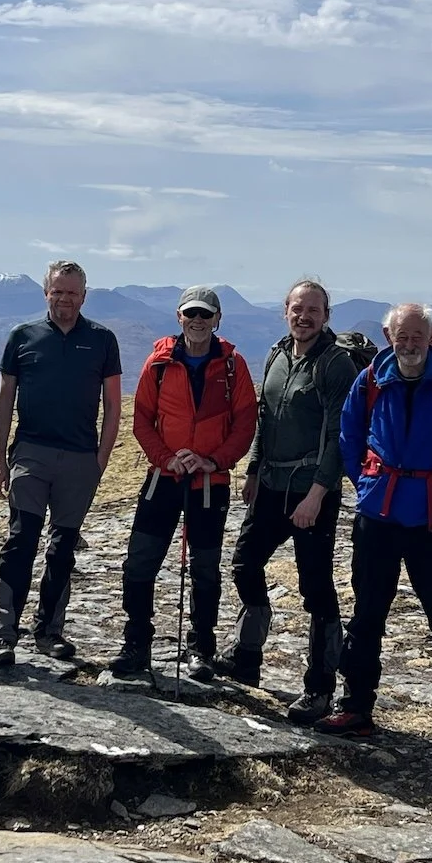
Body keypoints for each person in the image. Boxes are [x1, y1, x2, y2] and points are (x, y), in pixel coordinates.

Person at [318, 302, 432, 765]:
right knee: (367, 615)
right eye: (402, 335)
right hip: (378, 517)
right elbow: (349, 437)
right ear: (388, 336)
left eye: (418, 336)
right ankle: (356, 709)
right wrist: (367, 486)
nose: (410, 344)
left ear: (430, 337)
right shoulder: (370, 379)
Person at [214, 279, 359, 725]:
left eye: (313, 310)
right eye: (298, 308)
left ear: (326, 316)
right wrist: (254, 469)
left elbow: (339, 436)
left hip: (312, 491)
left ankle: (320, 687)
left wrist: (317, 494)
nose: (304, 316)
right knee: (245, 562)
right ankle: (247, 655)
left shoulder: (335, 364)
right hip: (272, 484)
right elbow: (266, 418)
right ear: (285, 311)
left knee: (316, 588)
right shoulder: (278, 354)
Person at [109, 286, 257, 680]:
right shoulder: (158, 363)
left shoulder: (233, 366)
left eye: (205, 314)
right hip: (164, 478)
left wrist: (214, 460)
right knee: (140, 562)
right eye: (191, 313)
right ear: (179, 317)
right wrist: (167, 458)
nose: (198, 320)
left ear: (217, 319)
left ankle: (201, 649)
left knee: (205, 568)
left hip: (209, 481)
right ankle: (136, 643)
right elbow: (142, 419)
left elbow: (245, 422)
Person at [0, 260, 122, 667]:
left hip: (80, 459)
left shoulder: (102, 340)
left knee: (62, 549)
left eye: (72, 292)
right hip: (31, 453)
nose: (65, 299)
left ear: (84, 295)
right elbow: (4, 400)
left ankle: (49, 631)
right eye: (58, 291)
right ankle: (3, 633)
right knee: (21, 541)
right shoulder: (22, 336)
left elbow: (113, 404)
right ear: (46, 292)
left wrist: (100, 460)